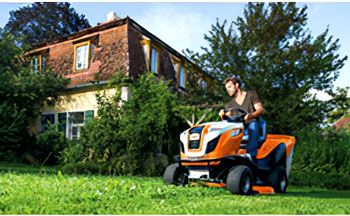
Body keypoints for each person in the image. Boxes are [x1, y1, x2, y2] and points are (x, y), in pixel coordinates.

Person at [219, 76, 264, 162]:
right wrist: (223, 115)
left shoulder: (251, 95)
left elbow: (260, 110)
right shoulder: (229, 105)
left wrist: (250, 116)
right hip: (240, 128)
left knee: (253, 124)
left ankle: (251, 155)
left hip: (253, 124)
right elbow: (227, 120)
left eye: (229, 87)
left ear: (237, 85)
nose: (228, 90)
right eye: (226, 88)